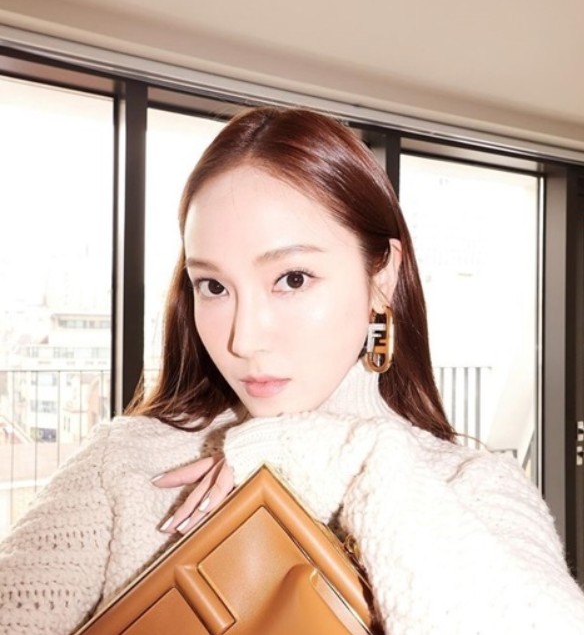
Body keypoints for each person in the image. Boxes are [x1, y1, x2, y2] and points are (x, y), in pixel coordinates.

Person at [1, 107, 583, 635]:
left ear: (381, 278)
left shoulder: (471, 487)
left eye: (293, 279)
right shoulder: (123, 464)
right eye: (214, 286)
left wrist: (348, 456)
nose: (244, 338)